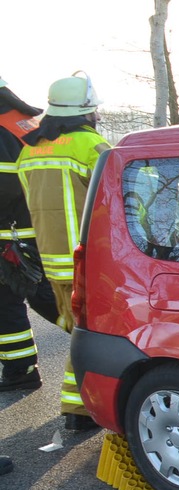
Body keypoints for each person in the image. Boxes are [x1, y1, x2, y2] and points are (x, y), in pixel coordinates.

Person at [16, 73, 110, 429]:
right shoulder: (90, 146)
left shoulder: (31, 148)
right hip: (90, 258)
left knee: (79, 328)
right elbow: (118, 197)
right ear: (87, 112)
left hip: (52, 261)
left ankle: (77, 409)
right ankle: (82, 411)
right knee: (95, 332)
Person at [1, 77, 57, 393]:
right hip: (34, 226)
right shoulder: (21, 122)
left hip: (12, 233)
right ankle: (18, 369)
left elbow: (5, 182)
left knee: (39, 296)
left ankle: (97, 340)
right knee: (14, 298)